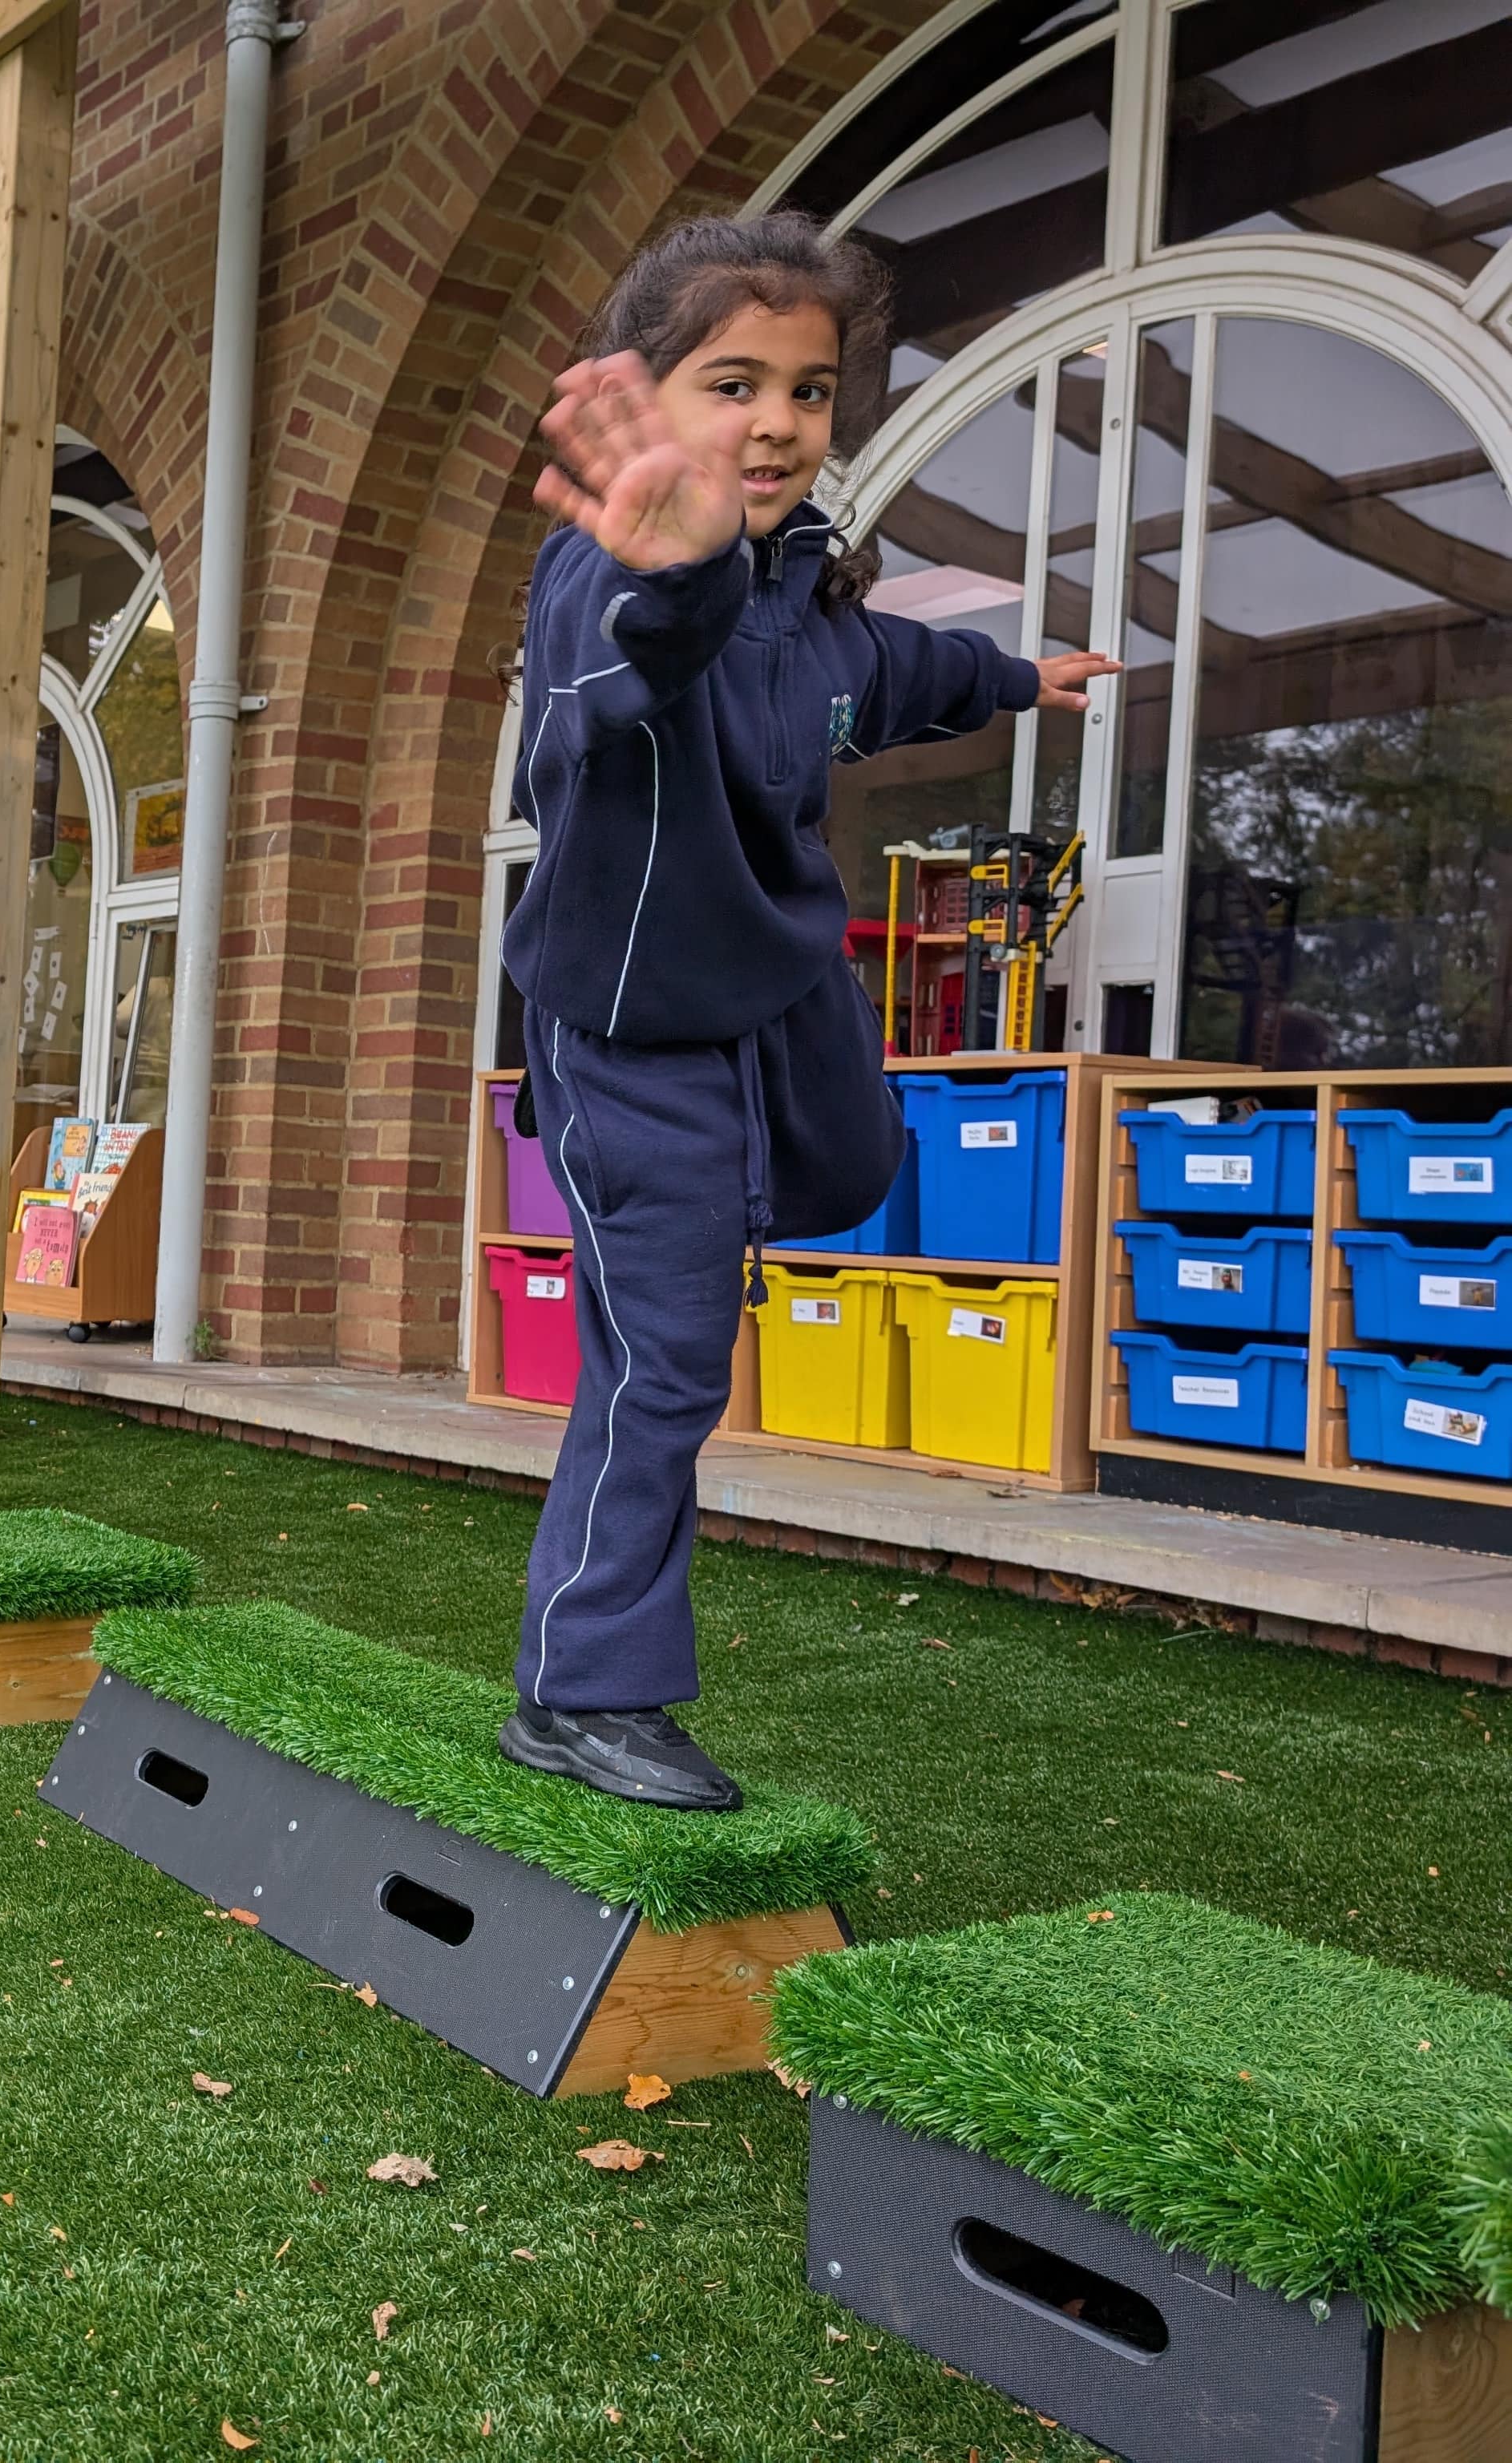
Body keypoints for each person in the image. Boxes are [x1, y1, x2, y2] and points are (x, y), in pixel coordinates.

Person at [496, 213, 1117, 1810]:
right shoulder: (605, 575)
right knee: (668, 1355)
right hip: (626, 1025)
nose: (774, 419)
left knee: (858, 1159)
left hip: (766, 1001)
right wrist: (678, 566)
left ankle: (733, 1214)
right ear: (647, 399)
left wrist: (1017, 679)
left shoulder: (810, 604)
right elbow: (629, 662)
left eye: (811, 390)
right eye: (733, 382)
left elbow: (889, 672)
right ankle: (582, 1688)